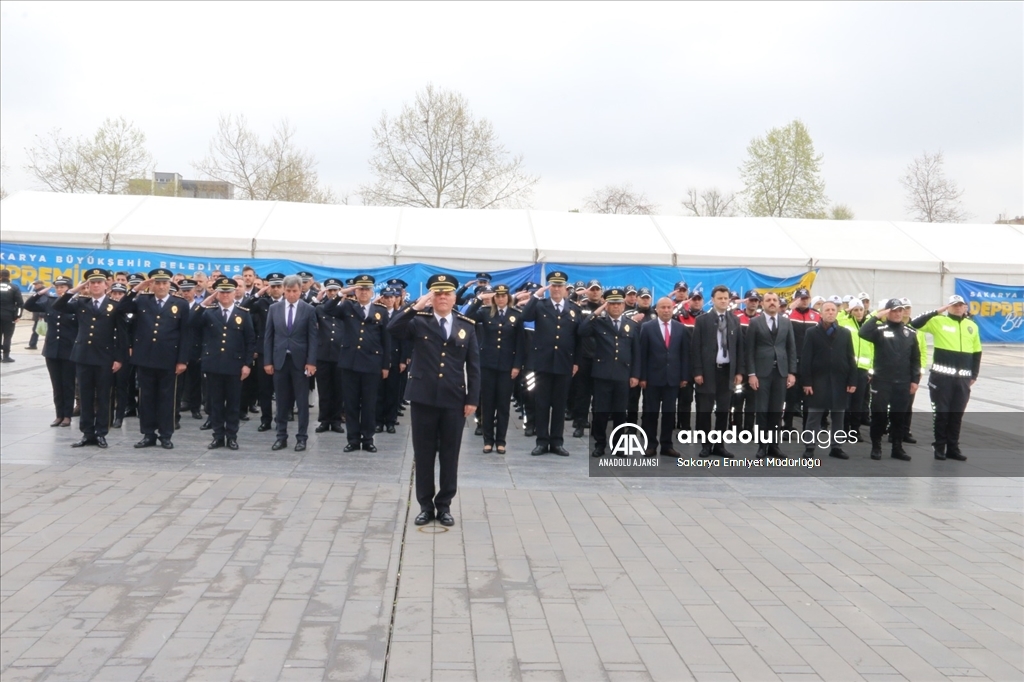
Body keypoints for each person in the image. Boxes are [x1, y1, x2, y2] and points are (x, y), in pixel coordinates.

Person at [388, 274, 480, 528]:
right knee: (424, 454)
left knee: (450, 454)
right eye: (437, 293)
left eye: (446, 293)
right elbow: (393, 328)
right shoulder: (419, 321)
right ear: (431, 297)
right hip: (423, 397)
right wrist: (415, 306)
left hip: (453, 398)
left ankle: (445, 505)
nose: (442, 298)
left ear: (454, 298)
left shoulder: (467, 325)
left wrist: (473, 398)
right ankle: (425, 506)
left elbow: (473, 366)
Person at [117, 268, 191, 449]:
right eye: (157, 283)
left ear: (170, 284)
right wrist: (137, 288)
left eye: (165, 283)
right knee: (146, 399)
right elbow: (121, 308)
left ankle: (166, 435)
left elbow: (185, 334)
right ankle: (148, 434)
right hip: (145, 358)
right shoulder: (142, 300)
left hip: (169, 359)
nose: (161, 286)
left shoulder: (180, 304)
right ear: (152, 285)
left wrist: (182, 360)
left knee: (167, 399)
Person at [52, 268, 126, 448]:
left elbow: (122, 335)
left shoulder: (113, 305)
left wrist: (119, 358)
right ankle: (87, 433)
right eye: (92, 283)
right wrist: (75, 289)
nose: (95, 285)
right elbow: (58, 306)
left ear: (105, 285)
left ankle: (101, 432)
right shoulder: (81, 303)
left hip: (104, 357)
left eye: (98, 282)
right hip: (83, 356)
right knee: (84, 397)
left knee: (103, 397)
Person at [322, 274, 391, 453]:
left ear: (372, 291)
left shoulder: (380, 311)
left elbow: (386, 341)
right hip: (350, 363)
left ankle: (368, 439)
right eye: (360, 289)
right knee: (351, 404)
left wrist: (385, 366)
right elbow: (326, 309)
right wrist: (341, 293)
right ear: (356, 290)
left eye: (367, 289)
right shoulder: (347, 307)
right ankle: (353, 439)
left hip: (372, 365)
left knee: (369, 404)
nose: (364, 292)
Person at [517, 271, 581, 457]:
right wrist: (535, 296)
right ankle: (542, 441)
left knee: (560, 405)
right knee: (542, 403)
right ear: (549, 287)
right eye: (553, 285)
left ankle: (557, 441)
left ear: (565, 289)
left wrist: (576, 362)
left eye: (560, 285)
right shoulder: (540, 305)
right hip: (543, 363)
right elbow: (525, 317)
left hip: (564, 363)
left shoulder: (574, 309)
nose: (556, 289)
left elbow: (578, 339)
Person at [910, 295, 980, 461]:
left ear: (965, 307)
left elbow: (977, 352)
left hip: (962, 380)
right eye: (954, 305)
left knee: (956, 415)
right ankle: (939, 446)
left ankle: (953, 448)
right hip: (942, 379)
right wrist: (936, 311)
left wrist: (974, 374)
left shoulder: (972, 326)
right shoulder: (938, 321)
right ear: (948, 307)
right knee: (942, 414)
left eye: (960, 305)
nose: (957, 308)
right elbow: (914, 323)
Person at [191, 277, 256, 450]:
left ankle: (232, 436)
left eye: (228, 292)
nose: (225, 295)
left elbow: (250, 341)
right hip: (214, 365)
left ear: (235, 293)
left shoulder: (243, 313)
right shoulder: (209, 312)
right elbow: (192, 321)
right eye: (222, 292)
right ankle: (218, 436)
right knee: (216, 404)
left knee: (233, 404)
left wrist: (247, 364)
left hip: (235, 366)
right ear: (217, 293)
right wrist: (206, 301)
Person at [577, 288, 640, 457]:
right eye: (612, 304)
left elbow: (636, 353)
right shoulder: (599, 323)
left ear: (623, 305)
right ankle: (600, 444)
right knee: (601, 412)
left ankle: (618, 445)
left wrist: (635, 375)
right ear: (607, 305)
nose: (616, 307)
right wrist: (598, 311)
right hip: (602, 374)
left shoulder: (631, 325)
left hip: (623, 375)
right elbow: (582, 330)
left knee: (620, 413)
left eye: (618, 303)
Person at [859, 299, 921, 461]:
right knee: (879, 414)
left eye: (900, 310)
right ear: (887, 312)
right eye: (894, 310)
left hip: (903, 381)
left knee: (899, 416)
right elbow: (863, 332)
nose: (898, 313)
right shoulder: (879, 329)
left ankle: (897, 447)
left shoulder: (910, 333)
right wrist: (877, 316)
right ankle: (876, 446)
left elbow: (916, 358)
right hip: (882, 381)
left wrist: (915, 380)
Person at [466, 284, 524, 454]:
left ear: (508, 297)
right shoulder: (485, 312)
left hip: (507, 366)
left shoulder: (516, 315)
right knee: (487, 404)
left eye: (503, 296)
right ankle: (488, 440)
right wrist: (478, 299)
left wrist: (516, 365)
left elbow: (520, 343)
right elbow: (467, 317)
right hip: (487, 364)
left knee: (503, 405)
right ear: (493, 298)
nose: (500, 299)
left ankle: (501, 441)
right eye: (497, 296)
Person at [264, 274, 318, 451]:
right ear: (283, 291)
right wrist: (268, 361)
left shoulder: (308, 309)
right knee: (281, 401)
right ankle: (281, 436)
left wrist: (311, 362)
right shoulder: (274, 308)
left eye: (295, 291)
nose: (291, 294)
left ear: (300, 290)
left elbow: (312, 338)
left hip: (300, 362)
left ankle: (302, 437)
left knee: (302, 402)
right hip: (280, 360)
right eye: (288, 291)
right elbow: (269, 337)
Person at [691, 284, 744, 457]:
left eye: (725, 298)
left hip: (727, 372)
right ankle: (705, 445)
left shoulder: (735, 320)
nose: (723, 301)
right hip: (708, 372)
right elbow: (696, 348)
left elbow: (738, 348)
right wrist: (697, 371)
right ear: (712, 300)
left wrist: (739, 372)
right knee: (704, 411)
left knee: (723, 411)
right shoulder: (702, 320)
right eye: (719, 298)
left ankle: (719, 445)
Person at [800, 301, 858, 459]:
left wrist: (852, 381)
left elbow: (851, 358)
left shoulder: (845, 333)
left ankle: (836, 447)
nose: (830, 312)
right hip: (818, 381)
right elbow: (806, 359)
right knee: (814, 416)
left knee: (839, 416)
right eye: (827, 310)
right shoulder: (812, 332)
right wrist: (807, 382)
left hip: (840, 381)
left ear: (837, 312)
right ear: (821, 312)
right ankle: (810, 447)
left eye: (833, 310)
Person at [746, 292, 797, 457]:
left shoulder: (786, 322)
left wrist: (791, 372)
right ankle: (762, 445)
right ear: (762, 304)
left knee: (776, 411)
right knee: (761, 410)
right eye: (768, 300)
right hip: (761, 373)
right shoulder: (755, 322)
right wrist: (751, 374)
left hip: (781, 373)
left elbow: (791, 348)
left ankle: (774, 446)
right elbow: (749, 350)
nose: (772, 303)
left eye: (775, 300)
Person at [638, 296, 689, 457]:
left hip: (672, 378)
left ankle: (667, 445)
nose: (666, 310)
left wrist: (684, 376)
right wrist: (642, 377)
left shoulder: (680, 328)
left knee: (669, 414)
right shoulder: (647, 327)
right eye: (663, 307)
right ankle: (650, 444)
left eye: (669, 307)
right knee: (650, 413)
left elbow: (684, 354)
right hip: (652, 379)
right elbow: (642, 355)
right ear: (657, 309)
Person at [24, 277, 78, 426]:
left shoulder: (75, 304)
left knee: (68, 384)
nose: (59, 289)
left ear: (69, 288)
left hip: (69, 350)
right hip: (52, 349)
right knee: (56, 384)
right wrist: (39, 293)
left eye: (63, 287)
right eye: (57, 287)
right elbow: (28, 306)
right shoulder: (49, 302)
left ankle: (67, 415)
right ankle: (59, 414)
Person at [247, 273, 286, 431]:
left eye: (278, 286)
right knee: (264, 389)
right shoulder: (262, 302)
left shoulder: (289, 303)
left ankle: (281, 418)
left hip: (284, 350)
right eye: (272, 286)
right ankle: (266, 419)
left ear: (283, 288)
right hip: (265, 351)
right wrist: (258, 293)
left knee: (283, 389)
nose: (275, 290)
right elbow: (245, 306)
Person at [783, 288, 820, 428]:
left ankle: (807, 428)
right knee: (790, 397)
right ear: (795, 299)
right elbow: (778, 322)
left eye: (806, 298)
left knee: (809, 397)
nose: (803, 301)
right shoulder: (788, 314)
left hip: (811, 362)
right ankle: (787, 426)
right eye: (800, 298)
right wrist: (789, 308)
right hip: (792, 361)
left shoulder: (816, 315)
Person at [837, 299, 873, 438]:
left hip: (863, 369)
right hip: (847, 368)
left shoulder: (868, 326)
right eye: (855, 309)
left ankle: (855, 430)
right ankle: (844, 429)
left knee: (858, 401)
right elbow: (836, 319)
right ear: (850, 311)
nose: (858, 312)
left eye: (861, 309)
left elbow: (872, 348)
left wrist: (871, 370)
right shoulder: (845, 323)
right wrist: (844, 312)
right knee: (846, 400)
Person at [314, 278, 346, 434]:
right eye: (330, 290)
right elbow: (309, 312)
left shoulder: (347, 307)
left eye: (335, 290)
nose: (332, 293)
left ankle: (336, 420)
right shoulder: (321, 308)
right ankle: (324, 420)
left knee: (339, 390)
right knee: (324, 390)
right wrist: (316, 299)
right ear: (325, 291)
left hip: (340, 355)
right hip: (323, 354)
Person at [376, 287, 406, 435]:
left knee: (393, 392)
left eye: (391, 297)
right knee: (379, 392)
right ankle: (378, 421)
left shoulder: (399, 315)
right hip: (379, 358)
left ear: (396, 298)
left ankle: (390, 421)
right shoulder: (377, 314)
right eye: (386, 297)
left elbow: (404, 339)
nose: (389, 300)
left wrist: (403, 360)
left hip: (395, 358)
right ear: (381, 298)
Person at [732, 290, 762, 433]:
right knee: (737, 399)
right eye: (751, 300)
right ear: (746, 301)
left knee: (753, 400)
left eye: (756, 300)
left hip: (756, 367)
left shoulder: (762, 319)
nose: (753, 303)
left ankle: (749, 429)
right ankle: (735, 428)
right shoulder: (736, 316)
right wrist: (735, 303)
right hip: (739, 366)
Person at [0, 268, 25, 362]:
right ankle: (6, 356)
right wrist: (17, 316)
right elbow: (20, 303)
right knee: (7, 336)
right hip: (8, 315)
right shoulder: (14, 287)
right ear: (9, 276)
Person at [24, 279, 47, 350]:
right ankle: (32, 344)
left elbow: (43, 304)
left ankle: (33, 344)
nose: (35, 286)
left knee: (37, 330)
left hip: (40, 316)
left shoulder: (42, 293)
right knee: (36, 330)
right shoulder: (38, 292)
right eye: (34, 285)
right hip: (38, 315)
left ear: (40, 285)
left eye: (36, 284)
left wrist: (41, 315)